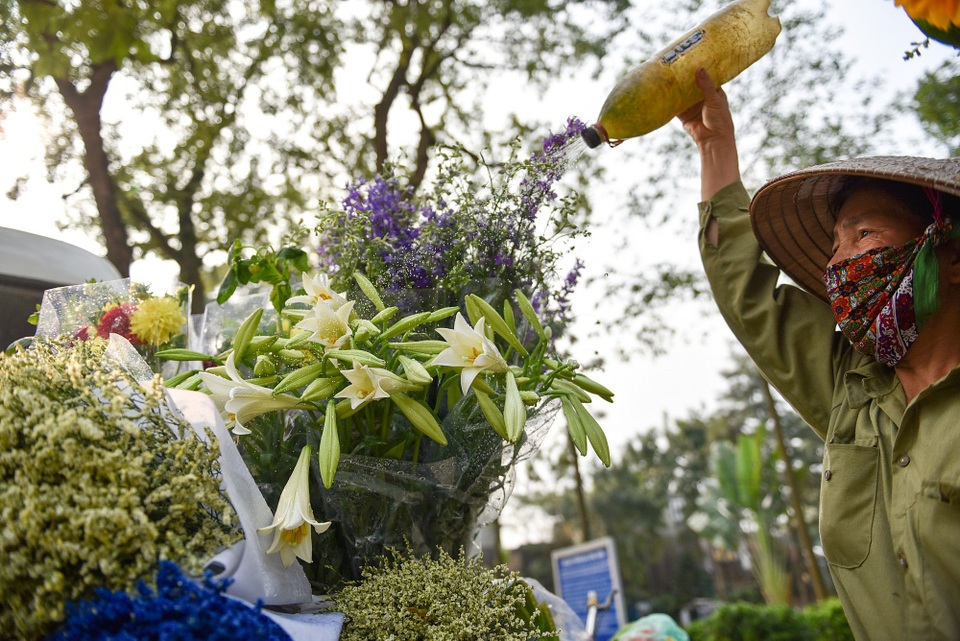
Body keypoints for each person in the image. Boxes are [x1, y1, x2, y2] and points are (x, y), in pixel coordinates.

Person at [678, 67, 960, 641]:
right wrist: (715, 147)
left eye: (865, 236)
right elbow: (749, 296)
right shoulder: (849, 386)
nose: (837, 265)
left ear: (950, 255)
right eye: (835, 246)